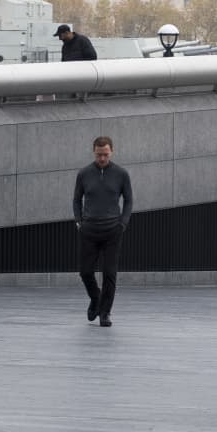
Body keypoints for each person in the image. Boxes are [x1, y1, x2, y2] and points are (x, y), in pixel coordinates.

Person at [72, 135, 131, 327]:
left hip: (113, 230)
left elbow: (129, 200)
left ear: (111, 151)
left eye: (105, 154)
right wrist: (79, 221)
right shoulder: (84, 174)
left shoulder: (121, 174)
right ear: (94, 152)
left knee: (109, 273)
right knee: (85, 272)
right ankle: (95, 298)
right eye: (99, 155)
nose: (102, 159)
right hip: (89, 230)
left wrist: (123, 223)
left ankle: (105, 313)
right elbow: (76, 199)